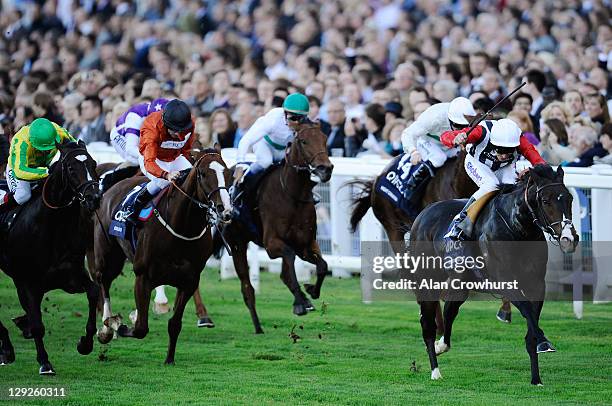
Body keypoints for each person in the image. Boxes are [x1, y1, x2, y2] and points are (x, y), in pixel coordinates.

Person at [440, 118, 545, 244]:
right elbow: (445, 136)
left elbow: (537, 160)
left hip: (504, 167)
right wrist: (454, 138)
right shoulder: (480, 132)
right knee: (491, 185)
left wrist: (533, 169)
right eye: (500, 149)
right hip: (478, 163)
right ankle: (460, 223)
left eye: (509, 150)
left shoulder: (520, 140)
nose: (505, 155)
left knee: (512, 189)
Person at [231, 93, 309, 207]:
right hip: (264, 144)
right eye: (293, 118)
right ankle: (241, 187)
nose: (297, 123)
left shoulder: (306, 124)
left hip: (284, 149)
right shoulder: (273, 120)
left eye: (300, 118)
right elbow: (245, 141)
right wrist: (239, 165)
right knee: (266, 161)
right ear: (285, 113)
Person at [127, 99, 195, 222]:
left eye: (182, 130)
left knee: (193, 177)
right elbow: (149, 163)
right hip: (153, 159)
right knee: (164, 183)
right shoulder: (151, 130)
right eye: (175, 130)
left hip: (175, 157)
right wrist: (166, 174)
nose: (179, 135)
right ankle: (136, 205)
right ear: (165, 123)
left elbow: (186, 149)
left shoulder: (189, 124)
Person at [400, 97, 477, 199]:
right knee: (439, 158)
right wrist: (413, 151)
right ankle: (413, 184)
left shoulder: (470, 117)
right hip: (429, 141)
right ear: (449, 118)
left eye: (464, 126)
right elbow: (408, 133)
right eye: (457, 125)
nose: (460, 130)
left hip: (451, 145)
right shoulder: (434, 117)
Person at [0, 118, 75, 215]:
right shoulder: (20, 141)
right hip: (18, 169)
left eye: (50, 147)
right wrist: (46, 172)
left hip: (43, 166)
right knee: (23, 195)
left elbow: (76, 149)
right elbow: (20, 171)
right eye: (43, 148)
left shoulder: (59, 131)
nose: (46, 151)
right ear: (32, 141)